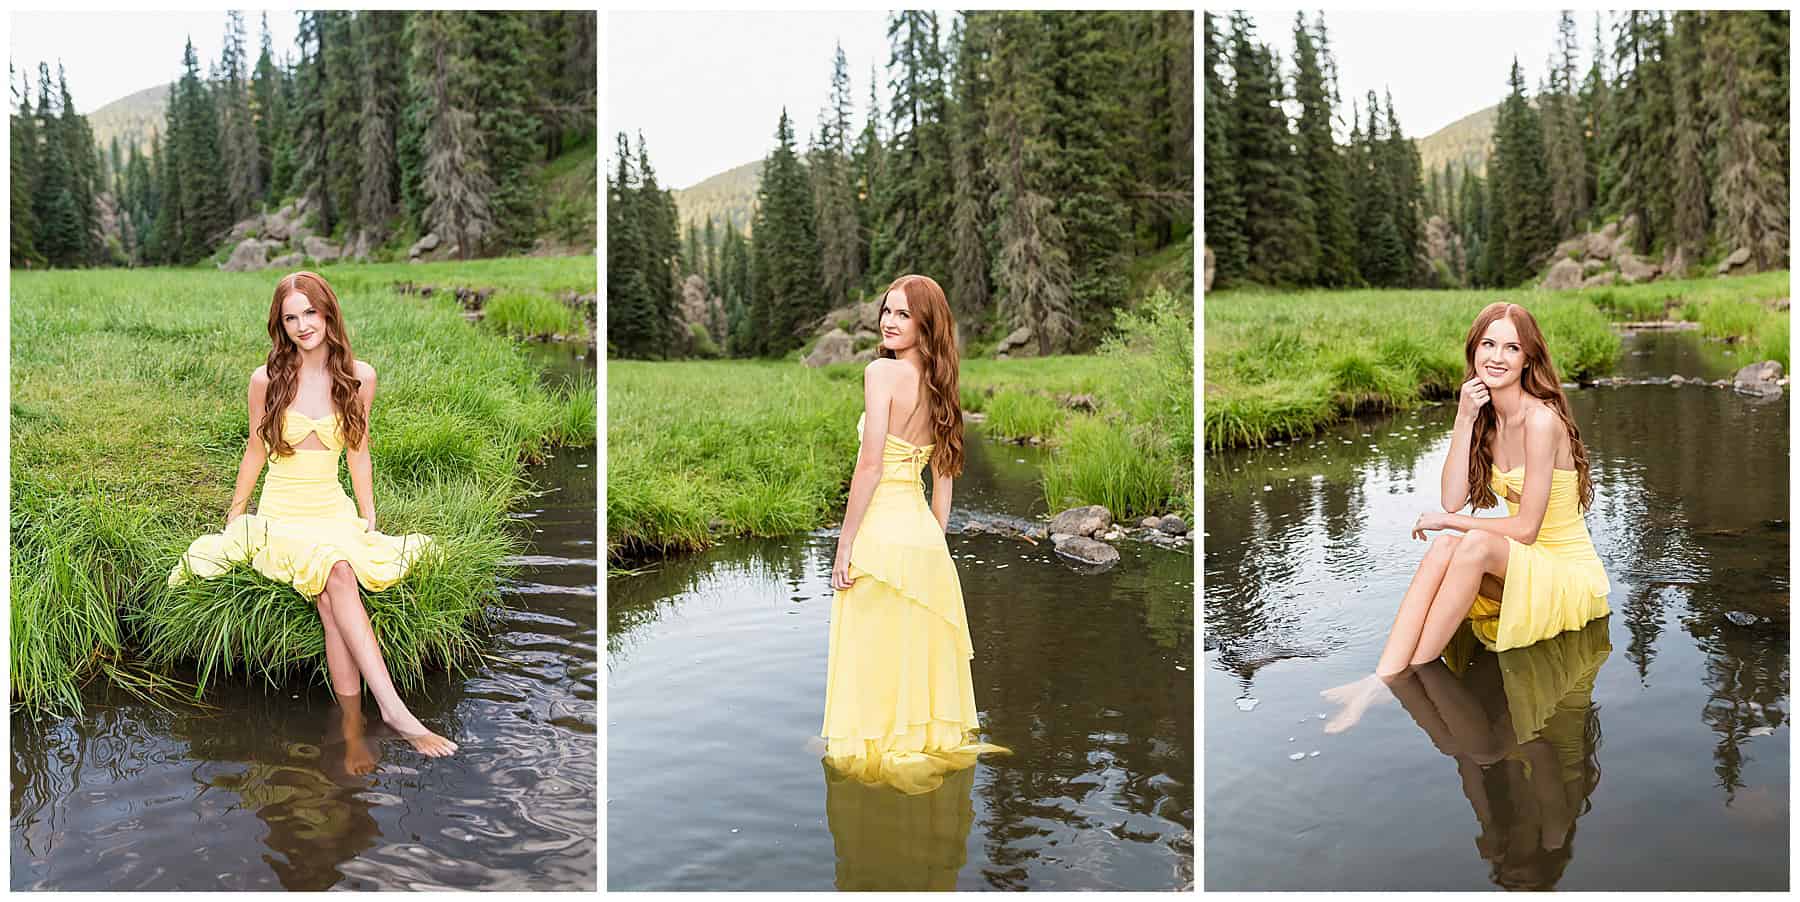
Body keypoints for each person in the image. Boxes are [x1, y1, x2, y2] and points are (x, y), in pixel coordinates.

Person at [169, 271, 457, 757]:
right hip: (283, 515)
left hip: (331, 509)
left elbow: (359, 451)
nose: (303, 325)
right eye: (291, 317)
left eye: (310, 312)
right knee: (338, 572)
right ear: (280, 326)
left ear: (328, 313)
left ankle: (349, 729)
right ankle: (393, 710)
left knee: (330, 599)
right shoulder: (267, 379)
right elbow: (255, 450)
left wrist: (368, 514)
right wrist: (236, 515)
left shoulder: (359, 377)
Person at [1322, 301, 1611, 733]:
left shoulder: (1541, 422)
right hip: (1527, 563)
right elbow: (1453, 498)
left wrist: (1449, 521)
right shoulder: (1487, 420)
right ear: (1474, 351)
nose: (1497, 357)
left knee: (1466, 539)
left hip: (1570, 575)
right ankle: (1378, 679)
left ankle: (1402, 681)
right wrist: (1463, 417)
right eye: (1488, 344)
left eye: (1511, 347)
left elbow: (1526, 530)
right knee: (1446, 545)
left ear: (1528, 358)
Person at [821, 274, 1006, 794]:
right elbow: (944, 478)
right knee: (912, 653)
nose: (889, 321)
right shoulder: (943, 386)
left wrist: (845, 543)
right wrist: (935, 544)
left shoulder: (880, 372)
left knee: (874, 650)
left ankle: (876, 744)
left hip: (881, 532)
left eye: (903, 313)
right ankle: (919, 742)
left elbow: (870, 465)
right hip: (923, 537)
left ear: (926, 323)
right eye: (887, 310)